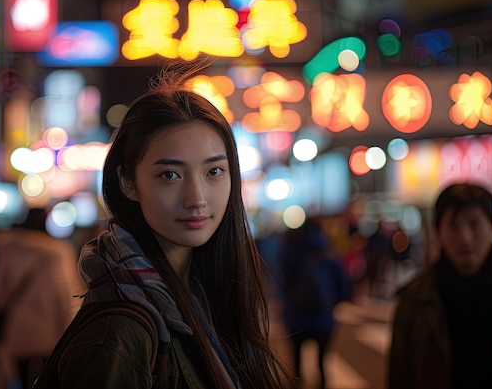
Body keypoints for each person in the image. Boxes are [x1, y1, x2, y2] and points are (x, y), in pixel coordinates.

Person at [34, 58, 297, 389]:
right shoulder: (118, 335)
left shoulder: (199, 293)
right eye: (170, 175)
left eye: (213, 171)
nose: (196, 197)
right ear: (128, 182)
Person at [388, 182, 492, 389]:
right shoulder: (414, 301)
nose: (464, 237)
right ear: (437, 232)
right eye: (453, 226)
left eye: (474, 224)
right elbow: (399, 376)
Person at [0, 207, 84, 389]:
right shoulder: (60, 252)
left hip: (16, 336)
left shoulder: (8, 251)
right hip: (50, 337)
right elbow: (69, 299)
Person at [278, 217, 352, 389]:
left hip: (296, 319)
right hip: (323, 320)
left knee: (296, 366)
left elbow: (282, 284)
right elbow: (343, 286)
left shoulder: (291, 252)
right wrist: (331, 304)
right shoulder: (329, 254)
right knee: (322, 364)